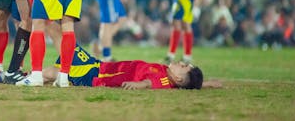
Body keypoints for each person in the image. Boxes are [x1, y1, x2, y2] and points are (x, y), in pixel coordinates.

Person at [42, 44, 205, 90]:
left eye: (182, 66)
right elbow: (188, 82)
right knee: (65, 42)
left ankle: (31, 75)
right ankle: (36, 75)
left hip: (95, 75)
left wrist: (139, 85)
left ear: (177, 78)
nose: (179, 62)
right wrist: (204, 83)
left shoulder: (163, 80)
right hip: (98, 65)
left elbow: (150, 83)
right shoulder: (167, 73)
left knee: (55, 69)